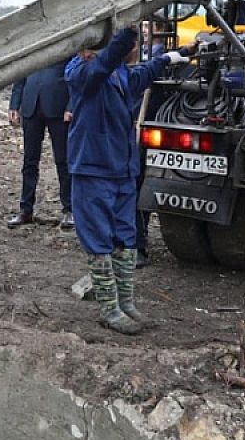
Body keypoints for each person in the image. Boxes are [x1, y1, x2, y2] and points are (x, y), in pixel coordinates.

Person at [64, 25, 187, 334]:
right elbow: (107, 60)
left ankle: (126, 302)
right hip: (93, 168)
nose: (134, 47)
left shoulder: (119, 73)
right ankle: (109, 308)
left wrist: (179, 54)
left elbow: (144, 72)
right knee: (98, 238)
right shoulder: (81, 72)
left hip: (121, 168)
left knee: (125, 236)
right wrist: (129, 26)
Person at [8, 0, 74, 230]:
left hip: (59, 106)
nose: (36, 3)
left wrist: (71, 104)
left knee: (63, 160)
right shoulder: (30, 32)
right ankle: (25, 210)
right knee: (29, 161)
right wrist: (15, 102)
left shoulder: (68, 29)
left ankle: (69, 210)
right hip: (31, 104)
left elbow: (74, 70)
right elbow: (21, 69)